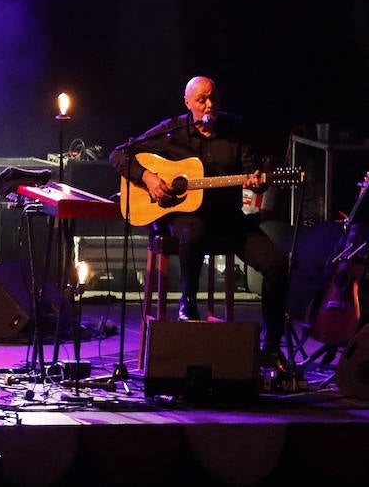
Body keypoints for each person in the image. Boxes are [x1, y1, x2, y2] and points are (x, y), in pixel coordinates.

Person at [109, 75, 290, 370]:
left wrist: (258, 182)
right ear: (188, 103)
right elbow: (119, 154)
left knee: (277, 265)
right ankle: (188, 303)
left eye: (213, 98)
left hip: (229, 220)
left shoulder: (236, 131)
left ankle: (271, 346)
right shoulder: (173, 131)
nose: (209, 105)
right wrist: (149, 177)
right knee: (194, 232)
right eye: (201, 100)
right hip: (186, 218)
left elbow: (250, 172)